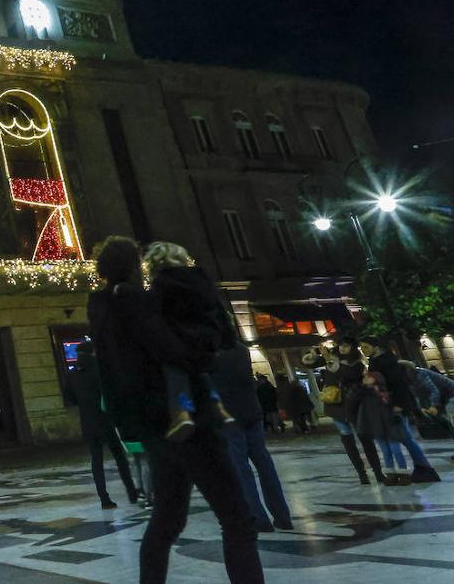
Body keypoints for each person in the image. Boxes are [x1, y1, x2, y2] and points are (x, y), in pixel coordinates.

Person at [89, 236, 263, 584]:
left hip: (155, 429)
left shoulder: (103, 310)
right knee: (238, 519)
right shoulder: (134, 303)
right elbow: (171, 349)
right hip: (186, 424)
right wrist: (203, 356)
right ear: (132, 266)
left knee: (168, 520)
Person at [142, 243, 235, 442]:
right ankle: (219, 407)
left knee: (176, 372)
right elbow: (219, 311)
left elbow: (156, 317)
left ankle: (181, 412)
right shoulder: (201, 279)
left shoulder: (161, 283)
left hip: (181, 341)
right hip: (207, 340)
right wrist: (226, 339)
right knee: (201, 372)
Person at [213, 341, 294, 533]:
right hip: (251, 412)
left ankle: (258, 518)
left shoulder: (209, 354)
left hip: (228, 417)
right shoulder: (240, 349)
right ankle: (283, 516)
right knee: (264, 463)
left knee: (241, 468)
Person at [64, 341, 139, 509]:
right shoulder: (101, 370)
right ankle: (132, 492)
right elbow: (114, 392)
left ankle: (104, 498)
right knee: (120, 458)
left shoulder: (73, 374)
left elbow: (70, 399)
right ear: (92, 352)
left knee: (96, 461)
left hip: (88, 423)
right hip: (107, 421)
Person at [301, 337, 385, 484]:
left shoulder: (356, 363)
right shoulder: (332, 359)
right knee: (347, 439)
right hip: (336, 405)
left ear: (352, 348)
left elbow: (346, 375)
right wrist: (310, 358)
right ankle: (362, 474)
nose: (342, 349)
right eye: (340, 346)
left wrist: (331, 361)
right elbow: (310, 364)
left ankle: (378, 472)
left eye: (346, 346)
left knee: (365, 438)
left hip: (355, 404)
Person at [358, 336, 440, 483]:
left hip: (395, 406)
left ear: (376, 347)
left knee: (405, 438)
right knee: (405, 439)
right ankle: (423, 469)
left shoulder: (386, 361)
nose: (363, 350)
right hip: (388, 405)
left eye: (366, 347)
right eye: (362, 348)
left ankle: (424, 469)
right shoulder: (380, 360)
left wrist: (398, 405)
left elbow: (398, 384)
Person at [357, 371, 410, 485]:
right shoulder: (365, 394)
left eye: (368, 377)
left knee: (396, 450)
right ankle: (391, 475)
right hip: (377, 427)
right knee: (386, 452)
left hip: (390, 426)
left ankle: (404, 474)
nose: (365, 379)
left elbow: (395, 406)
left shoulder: (385, 392)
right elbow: (357, 394)